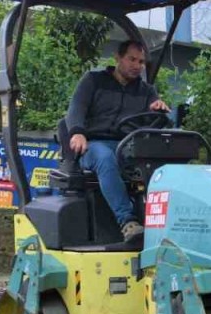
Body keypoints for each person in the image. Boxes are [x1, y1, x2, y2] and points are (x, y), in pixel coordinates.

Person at [65, 40, 169, 240]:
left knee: (161, 166)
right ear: (118, 58)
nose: (137, 65)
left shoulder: (147, 91)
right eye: (131, 59)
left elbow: (152, 127)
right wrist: (77, 132)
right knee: (105, 157)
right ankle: (128, 222)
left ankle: (162, 222)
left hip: (129, 147)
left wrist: (158, 112)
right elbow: (76, 108)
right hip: (93, 145)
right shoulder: (94, 81)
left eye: (141, 61)